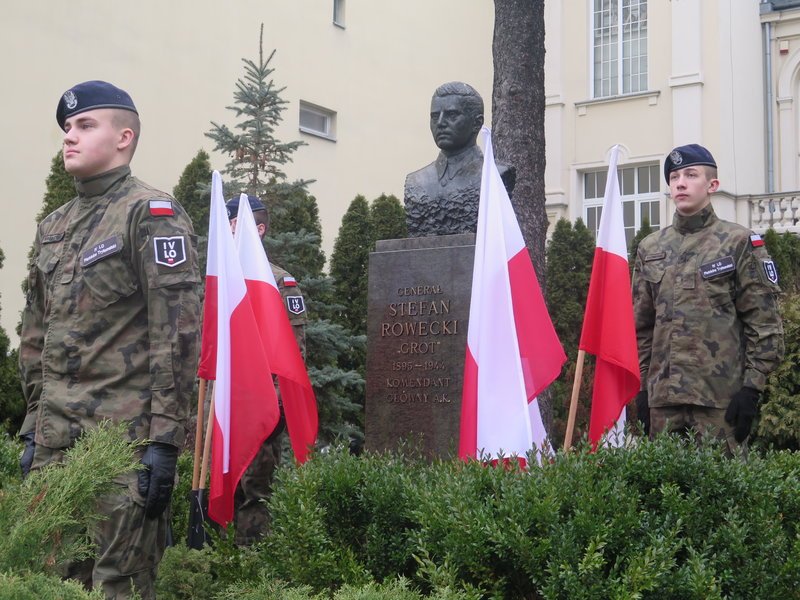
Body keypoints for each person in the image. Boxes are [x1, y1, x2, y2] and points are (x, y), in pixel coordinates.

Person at [18, 80, 201, 598]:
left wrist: (165, 441)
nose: (69, 137)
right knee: (47, 580)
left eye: (84, 125)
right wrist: (34, 428)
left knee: (116, 586)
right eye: (66, 128)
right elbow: (36, 334)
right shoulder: (54, 225)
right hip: (57, 445)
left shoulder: (152, 213)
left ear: (124, 138)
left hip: (122, 446)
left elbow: (179, 332)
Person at [632, 144, 784, 454]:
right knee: (665, 493)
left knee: (721, 494)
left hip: (719, 400)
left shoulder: (738, 242)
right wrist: (643, 389)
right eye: (674, 177)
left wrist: (751, 389)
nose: (681, 183)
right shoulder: (650, 248)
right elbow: (641, 327)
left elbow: (764, 322)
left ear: (712, 185)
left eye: (691, 174)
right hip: (664, 401)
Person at [225, 194, 307, 545]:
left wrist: (269, 414)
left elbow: (292, 354)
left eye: (236, 224)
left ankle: (250, 571)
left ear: (259, 229)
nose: (230, 231)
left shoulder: (278, 283)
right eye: (227, 224)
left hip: (259, 411)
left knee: (254, 492)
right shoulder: (218, 280)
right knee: (218, 491)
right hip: (221, 408)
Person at [404, 81, 515, 237]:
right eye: (435, 116)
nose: (441, 123)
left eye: (452, 115)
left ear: (477, 123)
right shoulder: (415, 182)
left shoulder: (496, 175)